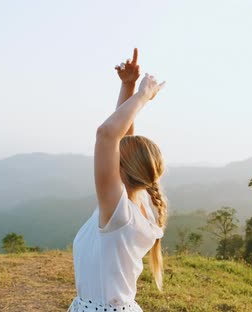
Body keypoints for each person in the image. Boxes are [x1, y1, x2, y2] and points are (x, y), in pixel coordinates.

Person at [67, 48, 168, 312]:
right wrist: (128, 85)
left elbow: (107, 135)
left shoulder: (118, 212)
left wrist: (144, 95)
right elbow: (119, 138)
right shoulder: (141, 203)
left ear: (120, 168)